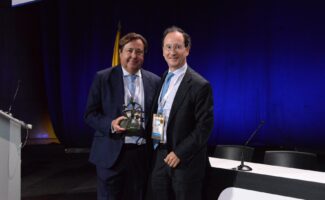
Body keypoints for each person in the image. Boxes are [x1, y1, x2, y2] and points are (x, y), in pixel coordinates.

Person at [84, 32, 160, 200]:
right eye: (130, 50)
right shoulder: (103, 78)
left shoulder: (154, 81)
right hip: (111, 154)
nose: (134, 55)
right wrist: (111, 124)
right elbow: (90, 114)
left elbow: (158, 117)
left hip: (141, 156)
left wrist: (158, 145)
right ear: (120, 53)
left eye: (139, 52)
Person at [150, 26, 214, 200]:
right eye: (168, 47)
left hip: (185, 162)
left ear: (187, 49)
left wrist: (180, 153)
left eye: (178, 46)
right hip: (160, 156)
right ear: (162, 50)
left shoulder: (200, 85)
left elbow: (204, 128)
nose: (172, 52)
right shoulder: (163, 78)